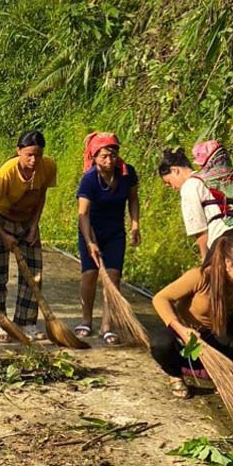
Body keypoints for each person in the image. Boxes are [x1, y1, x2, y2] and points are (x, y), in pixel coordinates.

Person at [150, 223, 233, 401]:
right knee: (161, 342)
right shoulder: (200, 277)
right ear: (228, 263)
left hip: (216, 345)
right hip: (189, 344)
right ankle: (175, 375)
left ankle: (229, 376)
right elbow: (160, 298)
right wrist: (182, 330)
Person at [0, 130, 57, 342]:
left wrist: (34, 226)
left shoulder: (48, 166)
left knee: (33, 273)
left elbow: (41, 194)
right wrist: (3, 234)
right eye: (29, 155)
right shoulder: (7, 173)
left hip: (27, 221)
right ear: (18, 151)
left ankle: (26, 322)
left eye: (38, 155)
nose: (33, 160)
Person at [74, 132, 141, 345]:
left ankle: (107, 325)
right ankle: (86, 319)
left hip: (115, 233)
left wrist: (135, 225)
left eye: (112, 155)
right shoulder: (89, 179)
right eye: (103, 156)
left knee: (112, 278)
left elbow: (133, 199)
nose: (109, 160)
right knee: (90, 274)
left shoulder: (126, 173)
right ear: (94, 157)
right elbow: (83, 214)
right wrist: (90, 242)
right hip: (91, 230)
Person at [158, 143, 233, 258]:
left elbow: (199, 228)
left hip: (226, 245)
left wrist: (206, 259)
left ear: (175, 170)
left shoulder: (189, 186)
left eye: (168, 182)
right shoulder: (209, 178)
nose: (172, 187)